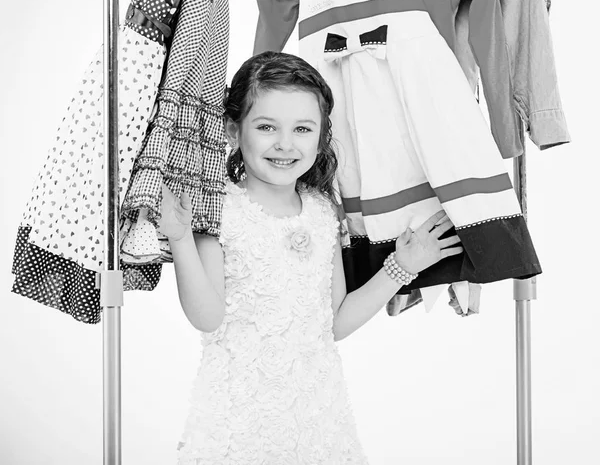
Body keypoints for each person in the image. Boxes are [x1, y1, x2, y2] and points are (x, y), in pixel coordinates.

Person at [160, 51, 463, 464]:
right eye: (266, 127)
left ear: (321, 136)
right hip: (238, 423)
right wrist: (180, 239)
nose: (285, 144)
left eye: (302, 129)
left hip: (318, 420)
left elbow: (333, 321)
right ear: (234, 131)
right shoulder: (219, 209)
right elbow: (207, 317)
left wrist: (401, 267)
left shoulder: (322, 210)